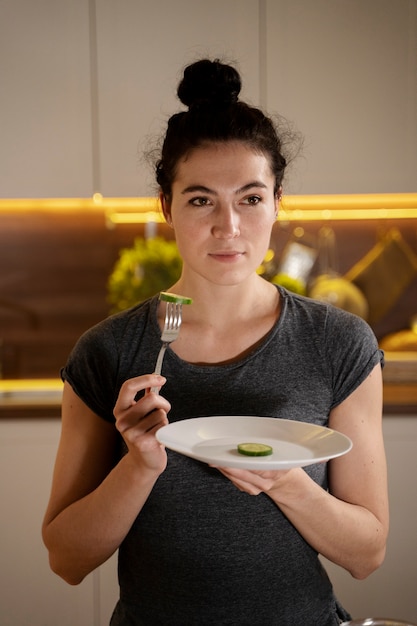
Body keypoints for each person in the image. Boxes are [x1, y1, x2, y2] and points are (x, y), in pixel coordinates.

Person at [42, 59, 389, 626]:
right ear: (167, 207)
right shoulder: (107, 351)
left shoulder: (338, 343)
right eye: (202, 199)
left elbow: (368, 554)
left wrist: (286, 482)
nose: (228, 226)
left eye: (251, 199)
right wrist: (139, 465)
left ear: (278, 202)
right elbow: (67, 560)